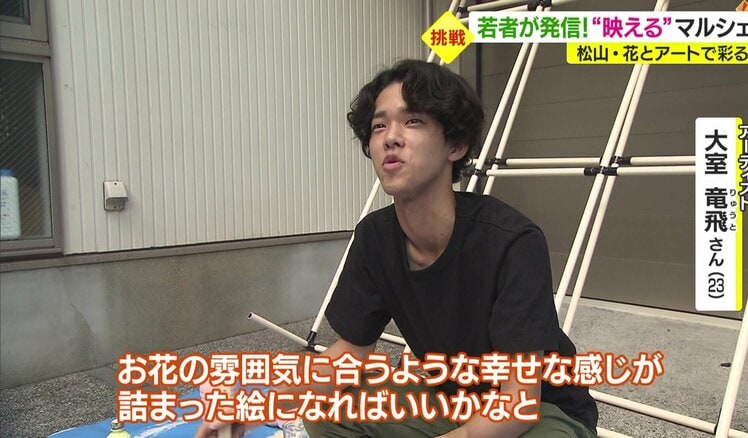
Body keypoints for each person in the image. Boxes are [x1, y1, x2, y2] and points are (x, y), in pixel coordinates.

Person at [197, 59, 597, 437]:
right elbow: (349, 355)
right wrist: (253, 409)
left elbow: (518, 403)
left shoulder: (511, 241)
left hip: (542, 411)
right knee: (333, 407)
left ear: (455, 145)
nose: (390, 137)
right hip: (452, 398)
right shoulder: (375, 238)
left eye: (413, 121)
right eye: (378, 126)